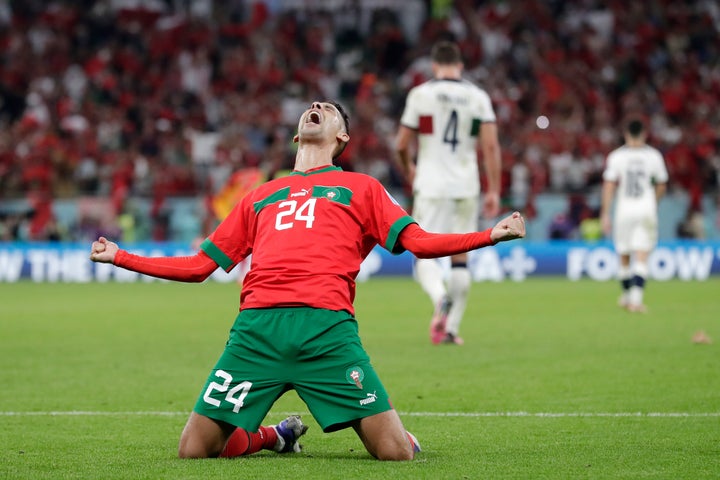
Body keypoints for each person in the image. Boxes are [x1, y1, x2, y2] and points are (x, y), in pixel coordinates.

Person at [89, 101, 525, 461]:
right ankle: (274, 436)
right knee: (194, 450)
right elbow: (199, 267)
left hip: (327, 332)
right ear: (297, 136)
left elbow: (419, 242)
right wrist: (121, 257)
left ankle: (392, 430)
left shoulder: (363, 188)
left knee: (396, 454)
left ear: (342, 137)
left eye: (329, 108)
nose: (315, 106)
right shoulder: (260, 195)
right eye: (311, 106)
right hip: (256, 333)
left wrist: (490, 235)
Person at [395, 40, 502, 345]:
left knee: (422, 251)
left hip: (430, 183)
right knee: (461, 256)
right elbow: (491, 146)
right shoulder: (478, 97)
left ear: (433, 65)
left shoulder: (422, 95)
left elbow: (401, 143)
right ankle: (452, 328)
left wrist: (410, 168)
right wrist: (494, 189)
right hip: (466, 184)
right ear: (461, 66)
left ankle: (440, 297)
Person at [600, 118, 668, 313]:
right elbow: (662, 184)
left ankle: (626, 296)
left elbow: (609, 186)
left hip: (624, 209)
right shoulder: (654, 156)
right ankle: (636, 301)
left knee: (624, 254)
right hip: (646, 208)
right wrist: (653, 202)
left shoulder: (616, 157)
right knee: (642, 254)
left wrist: (605, 213)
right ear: (644, 134)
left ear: (626, 134)